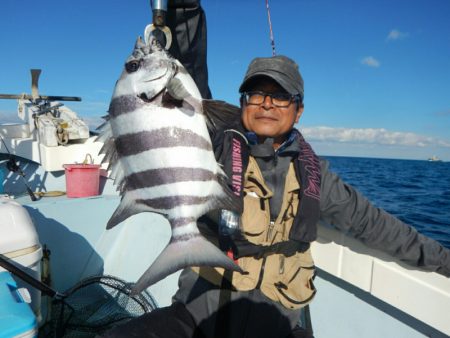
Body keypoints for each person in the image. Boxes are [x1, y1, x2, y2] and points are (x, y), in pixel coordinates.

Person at [102, 2, 450, 338]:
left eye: (280, 95)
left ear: (298, 111)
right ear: (242, 104)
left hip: (281, 324)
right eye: (256, 93)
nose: (267, 103)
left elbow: (374, 226)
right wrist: (183, 10)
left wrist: (443, 260)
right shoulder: (216, 141)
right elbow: (189, 61)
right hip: (198, 315)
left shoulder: (315, 175)